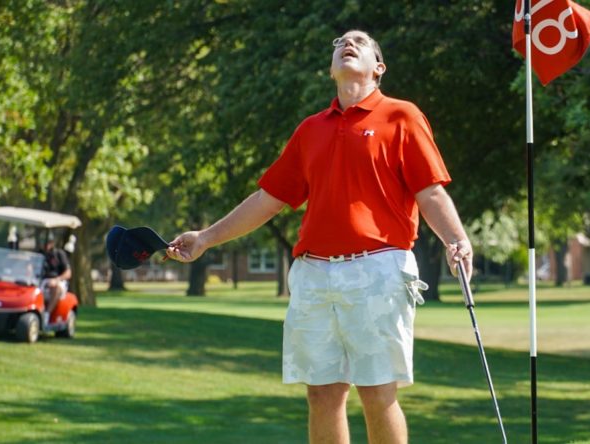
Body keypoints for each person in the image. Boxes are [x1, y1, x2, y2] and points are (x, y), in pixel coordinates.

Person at [166, 29, 473, 444]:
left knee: (377, 392)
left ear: (379, 68)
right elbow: (268, 198)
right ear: (331, 69)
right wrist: (205, 238)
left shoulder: (402, 115)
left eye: (360, 42)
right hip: (313, 275)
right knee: (322, 393)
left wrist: (456, 238)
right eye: (340, 43)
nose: (348, 44)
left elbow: (430, 191)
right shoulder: (311, 129)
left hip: (378, 269)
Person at [40, 233, 71, 324]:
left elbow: (68, 273)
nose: (46, 245)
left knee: (55, 288)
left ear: (52, 243)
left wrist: (57, 279)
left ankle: (46, 314)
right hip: (41, 280)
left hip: (58, 280)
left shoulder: (59, 254)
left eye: (48, 242)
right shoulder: (39, 254)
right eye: (43, 242)